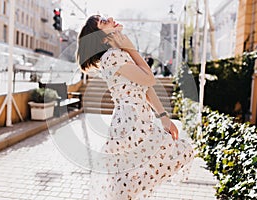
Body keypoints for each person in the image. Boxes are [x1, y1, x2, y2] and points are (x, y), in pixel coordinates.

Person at [76, 15, 194, 200]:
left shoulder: (118, 53)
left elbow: (144, 86)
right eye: (103, 22)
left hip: (136, 118)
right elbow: (149, 78)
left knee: (132, 176)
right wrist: (131, 48)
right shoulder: (112, 56)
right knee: (134, 176)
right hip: (130, 121)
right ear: (102, 37)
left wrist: (163, 116)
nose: (110, 18)